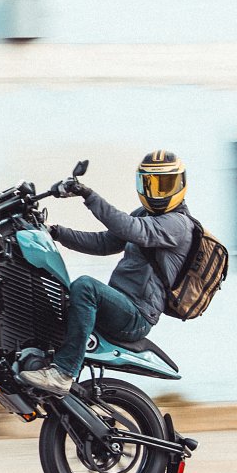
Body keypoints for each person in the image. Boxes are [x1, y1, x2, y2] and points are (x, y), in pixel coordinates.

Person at [19, 151, 194, 397]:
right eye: (151, 184)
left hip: (136, 315)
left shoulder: (177, 224)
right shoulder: (144, 215)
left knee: (86, 287)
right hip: (119, 305)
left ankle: (63, 373)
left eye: (165, 185)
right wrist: (55, 232)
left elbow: (130, 228)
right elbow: (104, 243)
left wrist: (88, 195)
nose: (157, 192)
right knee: (58, 295)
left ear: (180, 184)